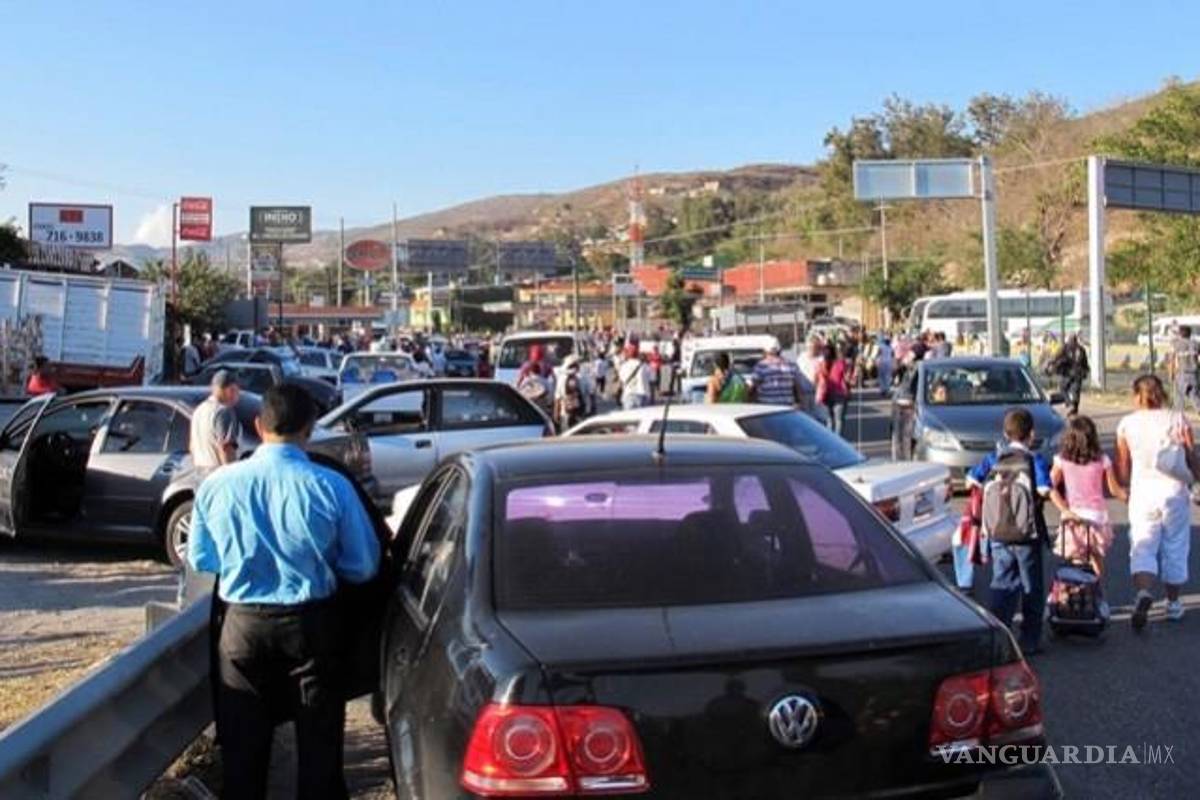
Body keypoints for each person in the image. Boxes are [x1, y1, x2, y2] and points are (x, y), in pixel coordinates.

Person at [187, 384, 380, 799]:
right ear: (309, 429)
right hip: (312, 627)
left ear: (258, 426)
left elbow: (202, 558)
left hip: (241, 626)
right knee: (319, 753)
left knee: (243, 756)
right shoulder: (331, 486)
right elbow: (364, 566)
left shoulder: (218, 485)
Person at [1115, 374, 1199, 629]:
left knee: (1143, 544)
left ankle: (1143, 592)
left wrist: (1124, 486)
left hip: (1143, 491)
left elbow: (1123, 463)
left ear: (1136, 395)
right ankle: (1173, 603)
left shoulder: (1127, 424)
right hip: (1174, 491)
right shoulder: (1177, 419)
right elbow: (1192, 460)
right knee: (1175, 546)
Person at [968, 408, 1052, 655]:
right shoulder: (1033, 460)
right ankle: (1029, 639)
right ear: (1031, 434)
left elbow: (971, 480)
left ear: (1005, 434)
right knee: (1031, 586)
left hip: (998, 532)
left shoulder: (994, 458)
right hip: (1027, 534)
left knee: (1002, 582)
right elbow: (1045, 489)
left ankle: (999, 635)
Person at [1048, 415, 1127, 618]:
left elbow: (1050, 487)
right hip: (1097, 517)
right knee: (1096, 559)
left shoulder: (1062, 460)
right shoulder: (1102, 460)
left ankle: (1070, 598)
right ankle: (1096, 595)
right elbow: (1114, 489)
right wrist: (1129, 498)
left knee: (1073, 560)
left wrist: (1063, 508)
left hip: (1072, 517)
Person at [189, 370, 242, 476]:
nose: (238, 394)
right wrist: (232, 477)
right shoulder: (223, 412)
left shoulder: (199, 410)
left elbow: (192, 446)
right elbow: (226, 448)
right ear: (230, 390)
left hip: (200, 474)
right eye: (237, 390)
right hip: (218, 475)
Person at [749, 343, 804, 408]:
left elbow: (753, 387)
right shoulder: (791, 365)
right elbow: (798, 387)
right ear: (780, 351)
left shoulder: (762, 366)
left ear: (765, 351)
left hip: (767, 406)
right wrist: (800, 402)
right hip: (787, 406)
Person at [1049, 334, 1089, 416]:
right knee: (1075, 392)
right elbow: (1085, 362)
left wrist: (1052, 363)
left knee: (1063, 388)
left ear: (1069, 340)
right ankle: (1074, 409)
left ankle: (1069, 404)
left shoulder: (1065, 347)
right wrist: (1085, 371)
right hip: (1078, 373)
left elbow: (1056, 357)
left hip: (1067, 373)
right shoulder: (1081, 349)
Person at [815, 344, 850, 435]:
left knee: (829, 420)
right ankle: (838, 440)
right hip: (839, 394)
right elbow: (847, 379)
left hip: (825, 394)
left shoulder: (821, 365)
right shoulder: (841, 364)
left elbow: (816, 379)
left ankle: (830, 439)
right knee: (839, 421)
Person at [1169, 325, 1200, 415]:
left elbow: (1172, 360)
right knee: (1194, 394)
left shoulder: (1176, 344)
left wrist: (1171, 373)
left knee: (1179, 396)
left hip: (1182, 373)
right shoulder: (1196, 344)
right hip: (1194, 373)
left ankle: (1178, 415)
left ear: (1180, 334)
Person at [555, 355, 586, 430]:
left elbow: (558, 398)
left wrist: (556, 413)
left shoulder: (561, 379)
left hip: (565, 412)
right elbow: (584, 395)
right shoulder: (580, 378)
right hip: (577, 411)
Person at [617, 344, 651, 410]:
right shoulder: (645, 366)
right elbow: (651, 379)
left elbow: (622, 380)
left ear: (628, 354)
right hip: (644, 394)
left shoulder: (624, 366)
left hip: (630, 394)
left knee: (630, 416)